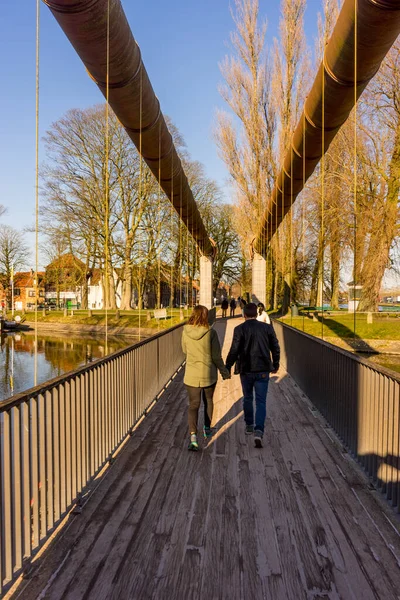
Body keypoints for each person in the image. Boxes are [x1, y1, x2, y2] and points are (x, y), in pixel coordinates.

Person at [225, 302, 280, 448]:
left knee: (248, 397)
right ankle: (259, 431)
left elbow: (234, 350)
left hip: (246, 369)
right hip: (262, 369)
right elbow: (275, 346)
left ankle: (249, 424)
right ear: (256, 314)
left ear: (244, 315)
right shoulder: (267, 328)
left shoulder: (239, 329)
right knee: (261, 402)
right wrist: (276, 364)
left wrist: (227, 366)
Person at [182, 305, 230, 451]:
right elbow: (216, 356)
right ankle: (207, 429)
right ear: (206, 316)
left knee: (193, 405)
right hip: (208, 373)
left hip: (191, 374)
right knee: (208, 400)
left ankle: (193, 437)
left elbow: (184, 350)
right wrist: (224, 371)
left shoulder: (185, 331)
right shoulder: (211, 333)